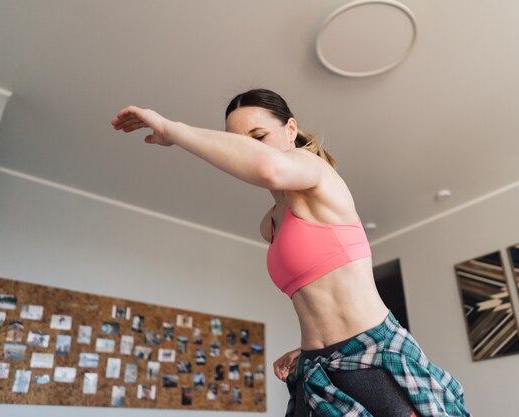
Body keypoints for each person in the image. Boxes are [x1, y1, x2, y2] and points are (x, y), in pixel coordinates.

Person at [111, 88, 472, 417]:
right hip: (315, 366)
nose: (252, 150)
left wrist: (171, 130)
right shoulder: (269, 224)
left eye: (259, 137)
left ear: (290, 129)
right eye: (241, 144)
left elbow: (268, 168)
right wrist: (310, 349)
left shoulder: (317, 175)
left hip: (370, 358)